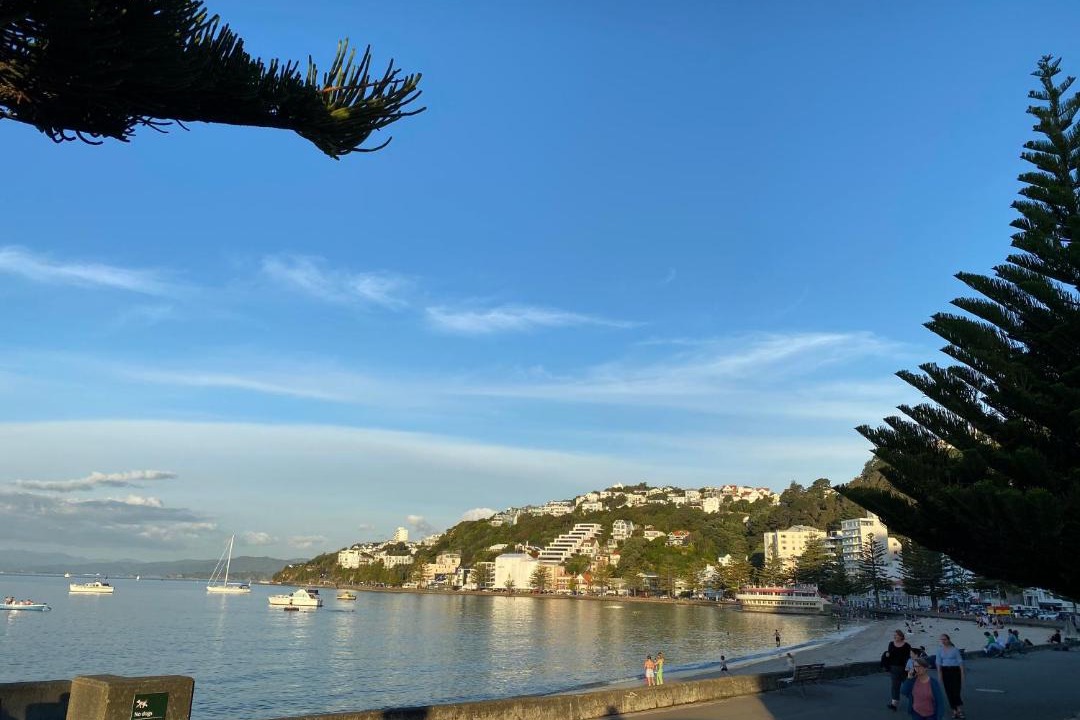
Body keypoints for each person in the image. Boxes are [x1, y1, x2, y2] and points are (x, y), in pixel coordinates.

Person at [936, 633, 965, 720]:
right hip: (945, 671)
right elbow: (938, 662)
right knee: (949, 691)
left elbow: (960, 662)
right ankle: (954, 710)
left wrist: (962, 674)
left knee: (956, 690)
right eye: (942, 639)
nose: (943, 641)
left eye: (944, 639)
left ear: (948, 640)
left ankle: (959, 709)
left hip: (955, 671)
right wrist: (939, 674)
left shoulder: (955, 650)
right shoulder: (939, 650)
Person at [885, 629, 913, 711]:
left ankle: (915, 702)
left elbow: (909, 658)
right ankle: (894, 704)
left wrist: (910, 669)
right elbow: (889, 655)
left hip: (905, 669)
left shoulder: (907, 646)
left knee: (908, 686)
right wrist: (886, 655)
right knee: (895, 687)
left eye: (896, 635)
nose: (894, 636)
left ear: (901, 636)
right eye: (894, 635)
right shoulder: (891, 644)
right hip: (894, 668)